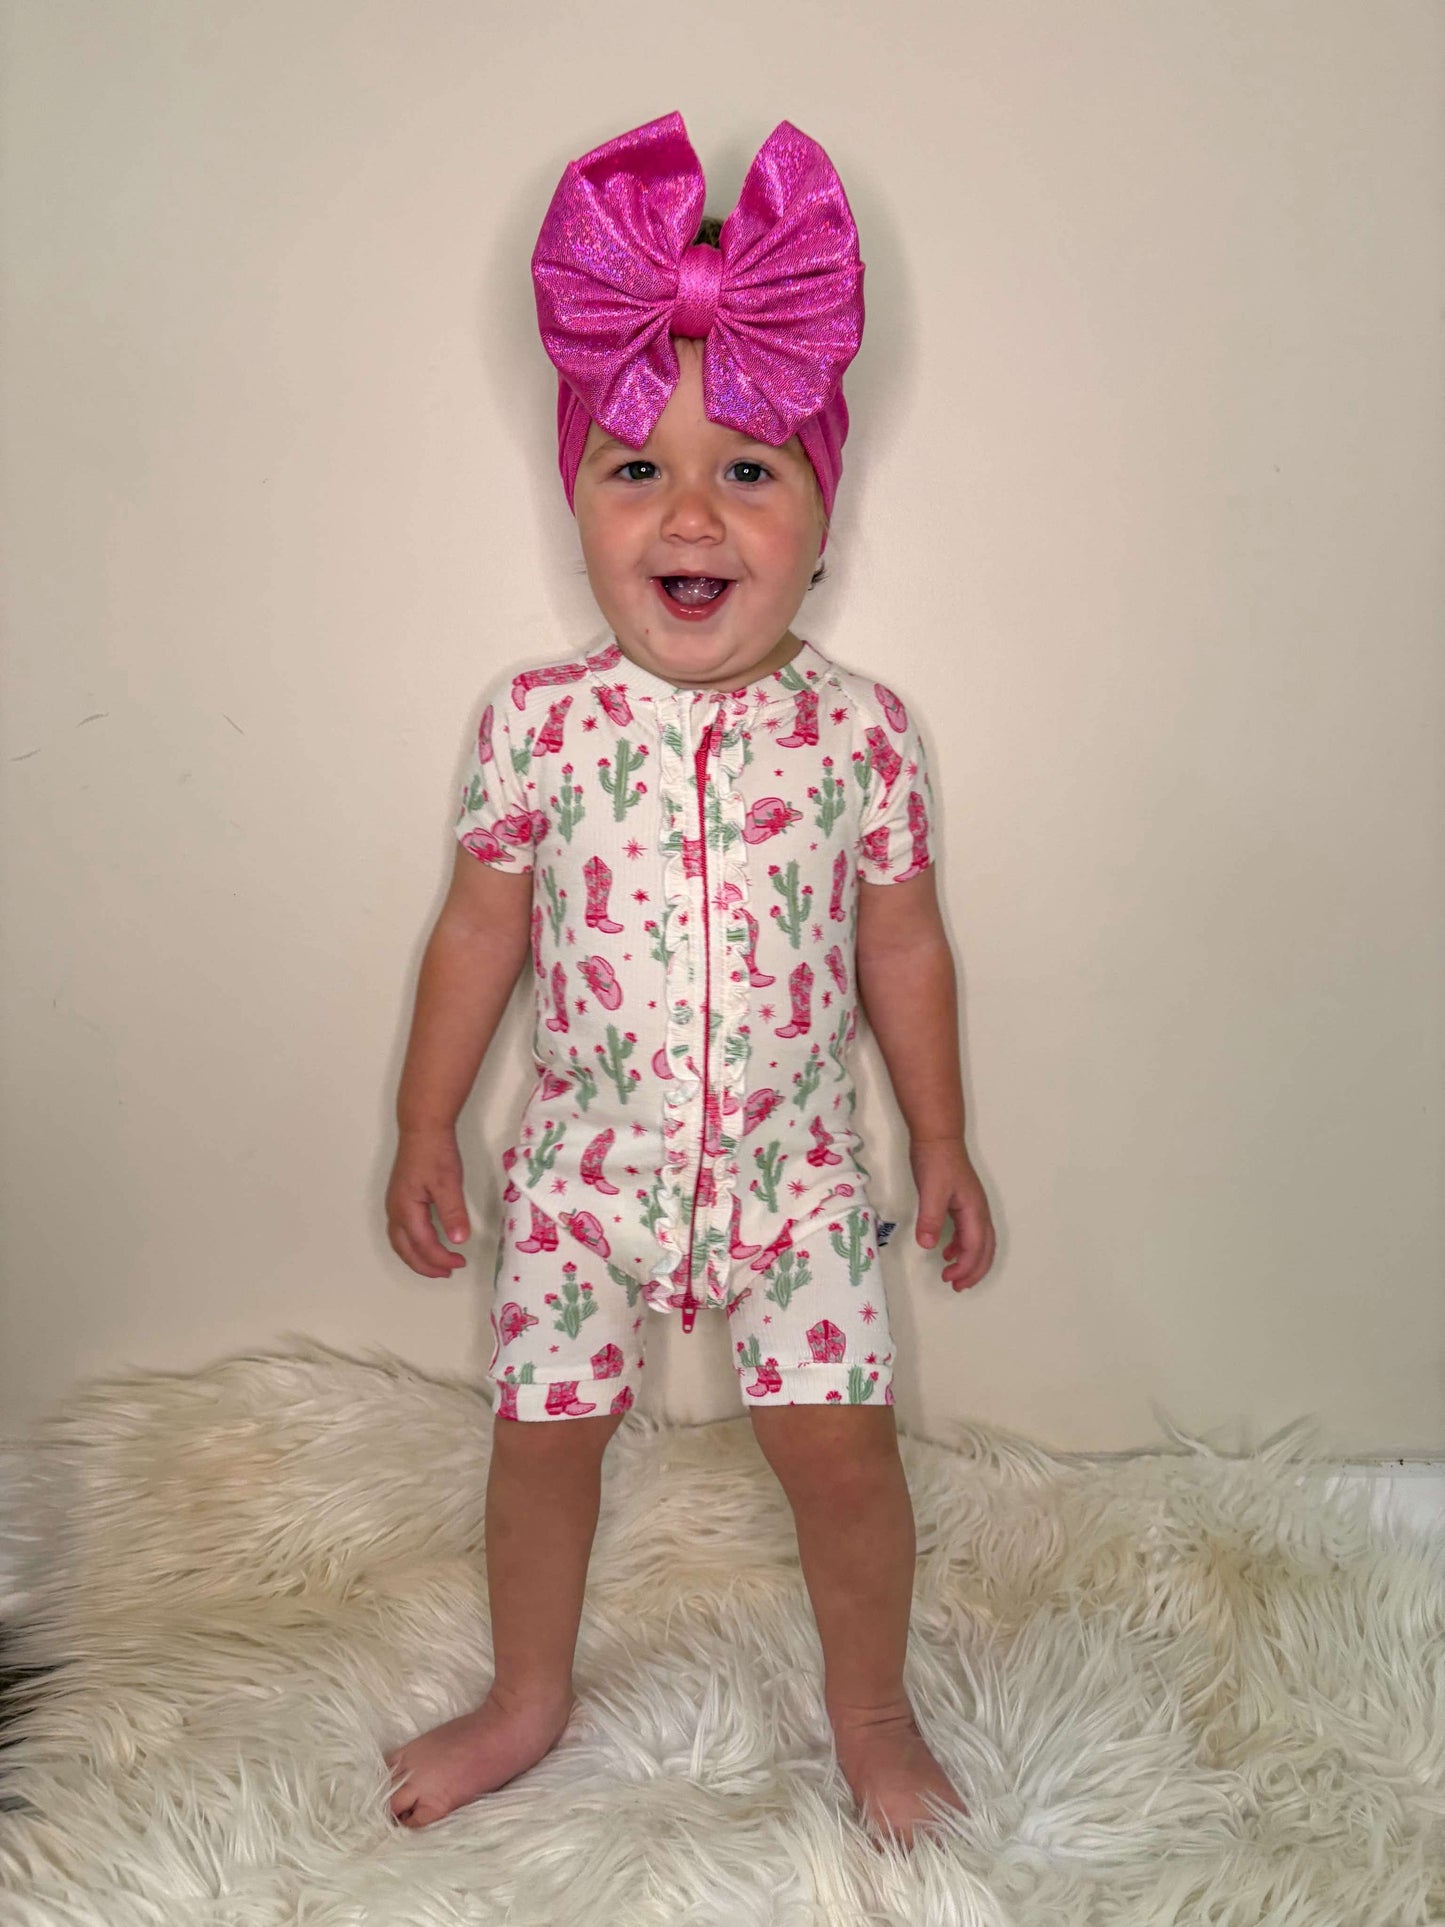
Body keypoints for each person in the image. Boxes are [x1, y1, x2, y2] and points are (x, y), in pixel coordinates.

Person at [382, 111, 996, 1846]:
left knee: (840, 1455)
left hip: (796, 1176)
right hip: (585, 1169)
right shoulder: (539, 724)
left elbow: (901, 946)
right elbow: (478, 931)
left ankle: (868, 1711)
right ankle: (527, 1694)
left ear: (821, 514)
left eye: (749, 471)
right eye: (635, 469)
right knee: (540, 1447)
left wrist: (938, 1140)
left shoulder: (861, 735)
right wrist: (427, 1123)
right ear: (577, 503)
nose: (691, 513)